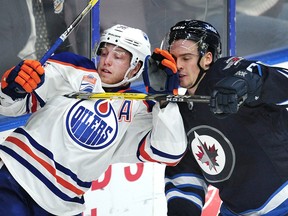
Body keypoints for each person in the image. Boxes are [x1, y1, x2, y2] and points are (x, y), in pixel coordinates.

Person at [0, 24, 187, 215]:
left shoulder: (139, 110)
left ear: (137, 65)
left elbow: (170, 152)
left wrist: (165, 102)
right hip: (13, 179)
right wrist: (15, 88)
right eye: (104, 53)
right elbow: (10, 107)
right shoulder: (73, 68)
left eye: (118, 56)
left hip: (62, 207)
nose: (106, 61)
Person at [144, 19, 288, 215]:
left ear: (207, 58)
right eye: (174, 58)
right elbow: (185, 174)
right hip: (236, 209)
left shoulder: (228, 70)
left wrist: (247, 84)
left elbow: (277, 81)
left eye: (186, 58)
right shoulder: (180, 110)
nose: (178, 66)